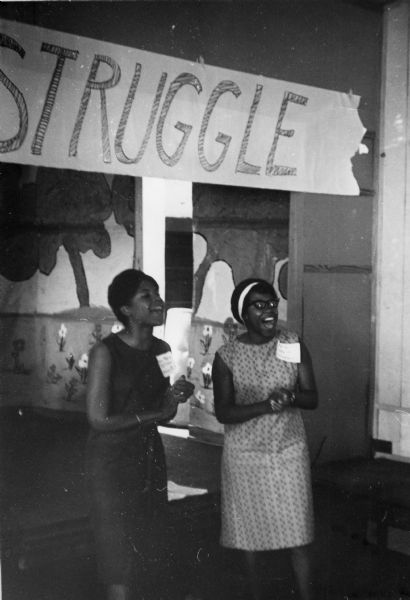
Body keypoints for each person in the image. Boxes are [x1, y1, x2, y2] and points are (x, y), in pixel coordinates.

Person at [85, 269, 194, 600]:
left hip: (148, 458)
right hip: (111, 462)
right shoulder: (105, 352)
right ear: (126, 310)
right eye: (146, 296)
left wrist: (174, 398)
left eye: (157, 293)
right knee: (117, 550)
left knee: (149, 541)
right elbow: (98, 419)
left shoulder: (161, 349)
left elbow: (167, 411)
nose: (158, 300)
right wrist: (157, 413)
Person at [212, 278, 318, 600]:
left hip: (288, 451)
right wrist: (264, 405)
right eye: (260, 305)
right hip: (245, 456)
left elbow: (312, 398)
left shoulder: (292, 343)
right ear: (243, 314)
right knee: (250, 540)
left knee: (299, 536)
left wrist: (291, 397)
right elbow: (225, 412)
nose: (270, 310)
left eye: (272, 303)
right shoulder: (227, 356)